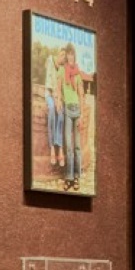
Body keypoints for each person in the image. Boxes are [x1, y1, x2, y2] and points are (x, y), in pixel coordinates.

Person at [59, 43, 87, 191]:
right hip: (67, 111)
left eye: (72, 54)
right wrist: (58, 100)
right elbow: (58, 88)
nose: (70, 56)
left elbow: (81, 95)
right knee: (68, 146)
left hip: (77, 110)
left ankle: (77, 177)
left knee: (77, 146)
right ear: (66, 56)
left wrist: (81, 115)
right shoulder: (61, 71)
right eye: (68, 54)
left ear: (74, 56)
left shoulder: (78, 74)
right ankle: (68, 177)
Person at [41, 45, 64, 173]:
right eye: (62, 55)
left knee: (60, 114)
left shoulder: (61, 68)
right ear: (58, 53)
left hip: (57, 96)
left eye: (64, 57)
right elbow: (49, 84)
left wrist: (59, 100)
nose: (63, 58)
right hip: (49, 94)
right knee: (51, 112)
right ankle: (52, 148)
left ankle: (59, 147)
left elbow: (60, 87)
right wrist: (55, 100)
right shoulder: (50, 60)